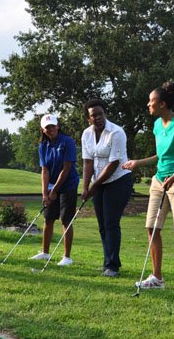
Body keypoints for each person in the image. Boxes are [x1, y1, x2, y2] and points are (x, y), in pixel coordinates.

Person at [123, 81, 174, 293]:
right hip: (159, 181)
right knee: (151, 227)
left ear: (163, 104)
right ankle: (157, 277)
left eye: (152, 101)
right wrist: (137, 163)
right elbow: (161, 155)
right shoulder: (158, 125)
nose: (148, 104)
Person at [81, 100, 133, 277]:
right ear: (88, 119)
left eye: (100, 113)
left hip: (118, 180)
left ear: (104, 114)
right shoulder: (86, 134)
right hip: (99, 182)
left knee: (111, 222)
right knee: (102, 224)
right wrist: (85, 186)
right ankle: (108, 262)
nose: (97, 117)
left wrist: (94, 186)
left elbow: (113, 163)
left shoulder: (117, 132)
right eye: (93, 115)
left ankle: (113, 266)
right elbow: (87, 161)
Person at [30, 114, 80, 266]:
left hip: (68, 185)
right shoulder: (43, 146)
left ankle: (67, 257)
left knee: (66, 219)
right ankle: (45, 253)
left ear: (57, 126)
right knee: (48, 218)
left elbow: (66, 168)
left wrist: (54, 191)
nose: (50, 129)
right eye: (47, 127)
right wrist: (45, 193)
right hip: (52, 186)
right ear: (43, 130)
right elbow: (44, 170)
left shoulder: (67, 141)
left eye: (53, 126)